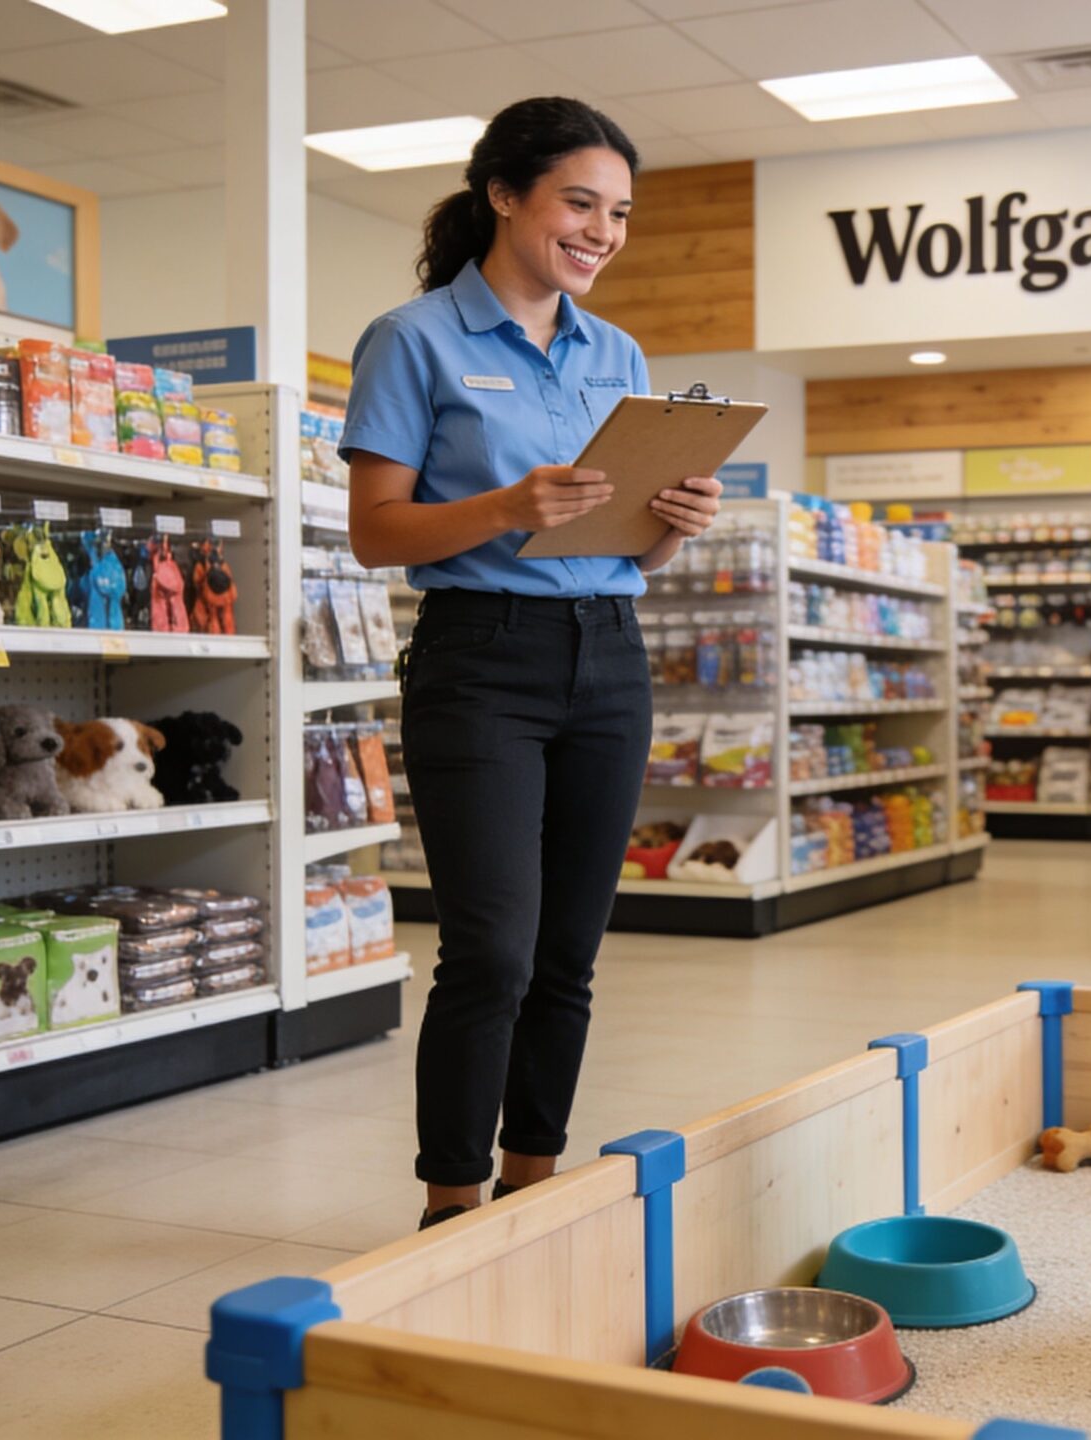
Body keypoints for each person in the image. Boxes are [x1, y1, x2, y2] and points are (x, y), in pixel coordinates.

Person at [340, 97, 722, 1231]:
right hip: (479, 659)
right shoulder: (413, 339)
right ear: (503, 196)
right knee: (491, 951)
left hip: (607, 654)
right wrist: (506, 504)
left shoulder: (618, 352)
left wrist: (674, 520)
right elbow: (375, 533)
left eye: (619, 214)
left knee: (568, 951)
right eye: (579, 204)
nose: (602, 232)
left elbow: (622, 547)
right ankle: (450, 1207)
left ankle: (533, 1188)